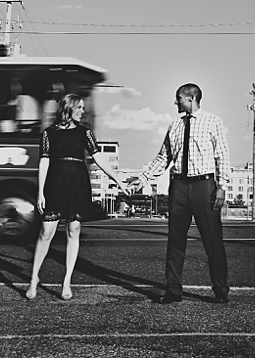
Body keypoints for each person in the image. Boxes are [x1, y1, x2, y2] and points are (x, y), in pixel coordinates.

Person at [129, 83, 230, 304]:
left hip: (204, 186)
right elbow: (163, 157)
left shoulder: (213, 121)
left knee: (213, 240)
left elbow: (222, 155)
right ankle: (173, 289)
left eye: (179, 98)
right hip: (179, 187)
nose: (176, 102)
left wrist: (221, 186)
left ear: (191, 98)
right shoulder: (174, 125)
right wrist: (143, 179)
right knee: (175, 240)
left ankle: (220, 289)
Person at [26, 94, 123, 300]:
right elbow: (44, 162)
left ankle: (67, 281)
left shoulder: (85, 133)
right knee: (46, 231)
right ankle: (34, 278)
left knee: (74, 229)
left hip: (78, 182)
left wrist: (118, 179)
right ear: (68, 108)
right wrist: (40, 191)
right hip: (55, 182)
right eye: (79, 107)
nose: (82, 111)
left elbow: (98, 157)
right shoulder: (48, 133)